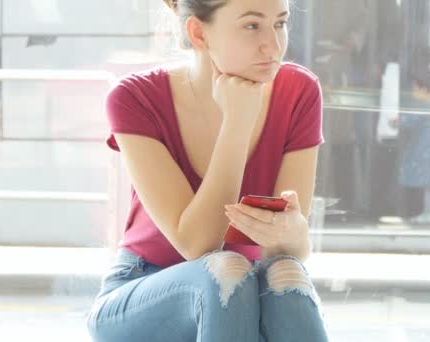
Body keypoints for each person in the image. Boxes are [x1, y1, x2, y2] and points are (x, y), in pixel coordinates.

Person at [85, 0, 330, 341]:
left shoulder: (299, 91)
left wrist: (290, 233)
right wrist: (237, 121)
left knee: (286, 273)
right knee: (227, 269)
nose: (273, 46)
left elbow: (288, 249)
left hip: (247, 290)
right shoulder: (134, 98)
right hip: (144, 292)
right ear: (198, 32)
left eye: (280, 24)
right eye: (251, 26)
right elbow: (199, 245)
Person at [390, 67, 430, 225]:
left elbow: (409, 121)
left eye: (415, 88)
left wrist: (396, 121)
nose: (413, 92)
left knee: (428, 186)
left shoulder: (423, 107)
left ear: (424, 88)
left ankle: (429, 213)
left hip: (425, 152)